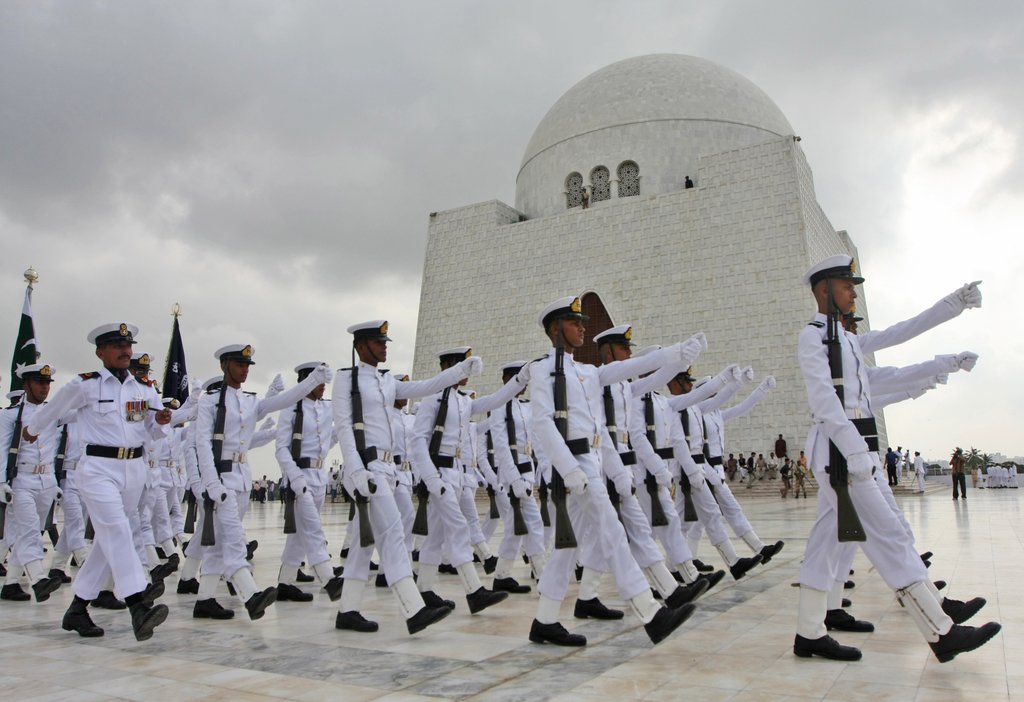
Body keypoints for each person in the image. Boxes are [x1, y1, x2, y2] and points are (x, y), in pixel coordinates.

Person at [793, 255, 999, 663]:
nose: (853, 294)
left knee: (823, 547)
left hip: (848, 453)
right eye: (846, 286)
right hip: (839, 455)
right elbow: (823, 400)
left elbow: (900, 337)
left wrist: (951, 311)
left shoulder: (847, 340)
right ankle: (940, 630)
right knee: (889, 535)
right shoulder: (812, 337)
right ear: (824, 290)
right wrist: (855, 452)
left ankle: (809, 633)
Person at [525, 296, 697, 647]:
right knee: (613, 531)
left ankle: (544, 620)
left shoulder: (589, 372)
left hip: (591, 462)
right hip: (573, 466)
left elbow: (628, 371)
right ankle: (651, 613)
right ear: (555, 328)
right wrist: (568, 468)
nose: (582, 329)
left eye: (582, 323)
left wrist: (674, 354)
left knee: (566, 549)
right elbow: (542, 422)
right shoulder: (542, 370)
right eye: (574, 323)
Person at [22, 323, 172, 641]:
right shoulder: (86, 385)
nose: (125, 351)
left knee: (107, 542)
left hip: (133, 469)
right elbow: (55, 408)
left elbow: (154, 430)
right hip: (98, 469)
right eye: (117, 346)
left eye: (128, 345)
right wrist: (32, 429)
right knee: (117, 529)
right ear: (100, 352)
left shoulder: (144, 390)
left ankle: (77, 609)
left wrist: (160, 421)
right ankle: (137, 603)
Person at [0, 363, 65, 603]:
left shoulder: (52, 413)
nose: (45, 388)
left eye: (47, 383)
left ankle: (11, 584)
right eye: (39, 382)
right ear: (26, 385)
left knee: (30, 531)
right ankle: (39, 579)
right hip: (22, 480)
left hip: (46, 481)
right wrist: (1, 483)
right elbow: (1, 449)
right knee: (28, 532)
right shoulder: (10, 415)